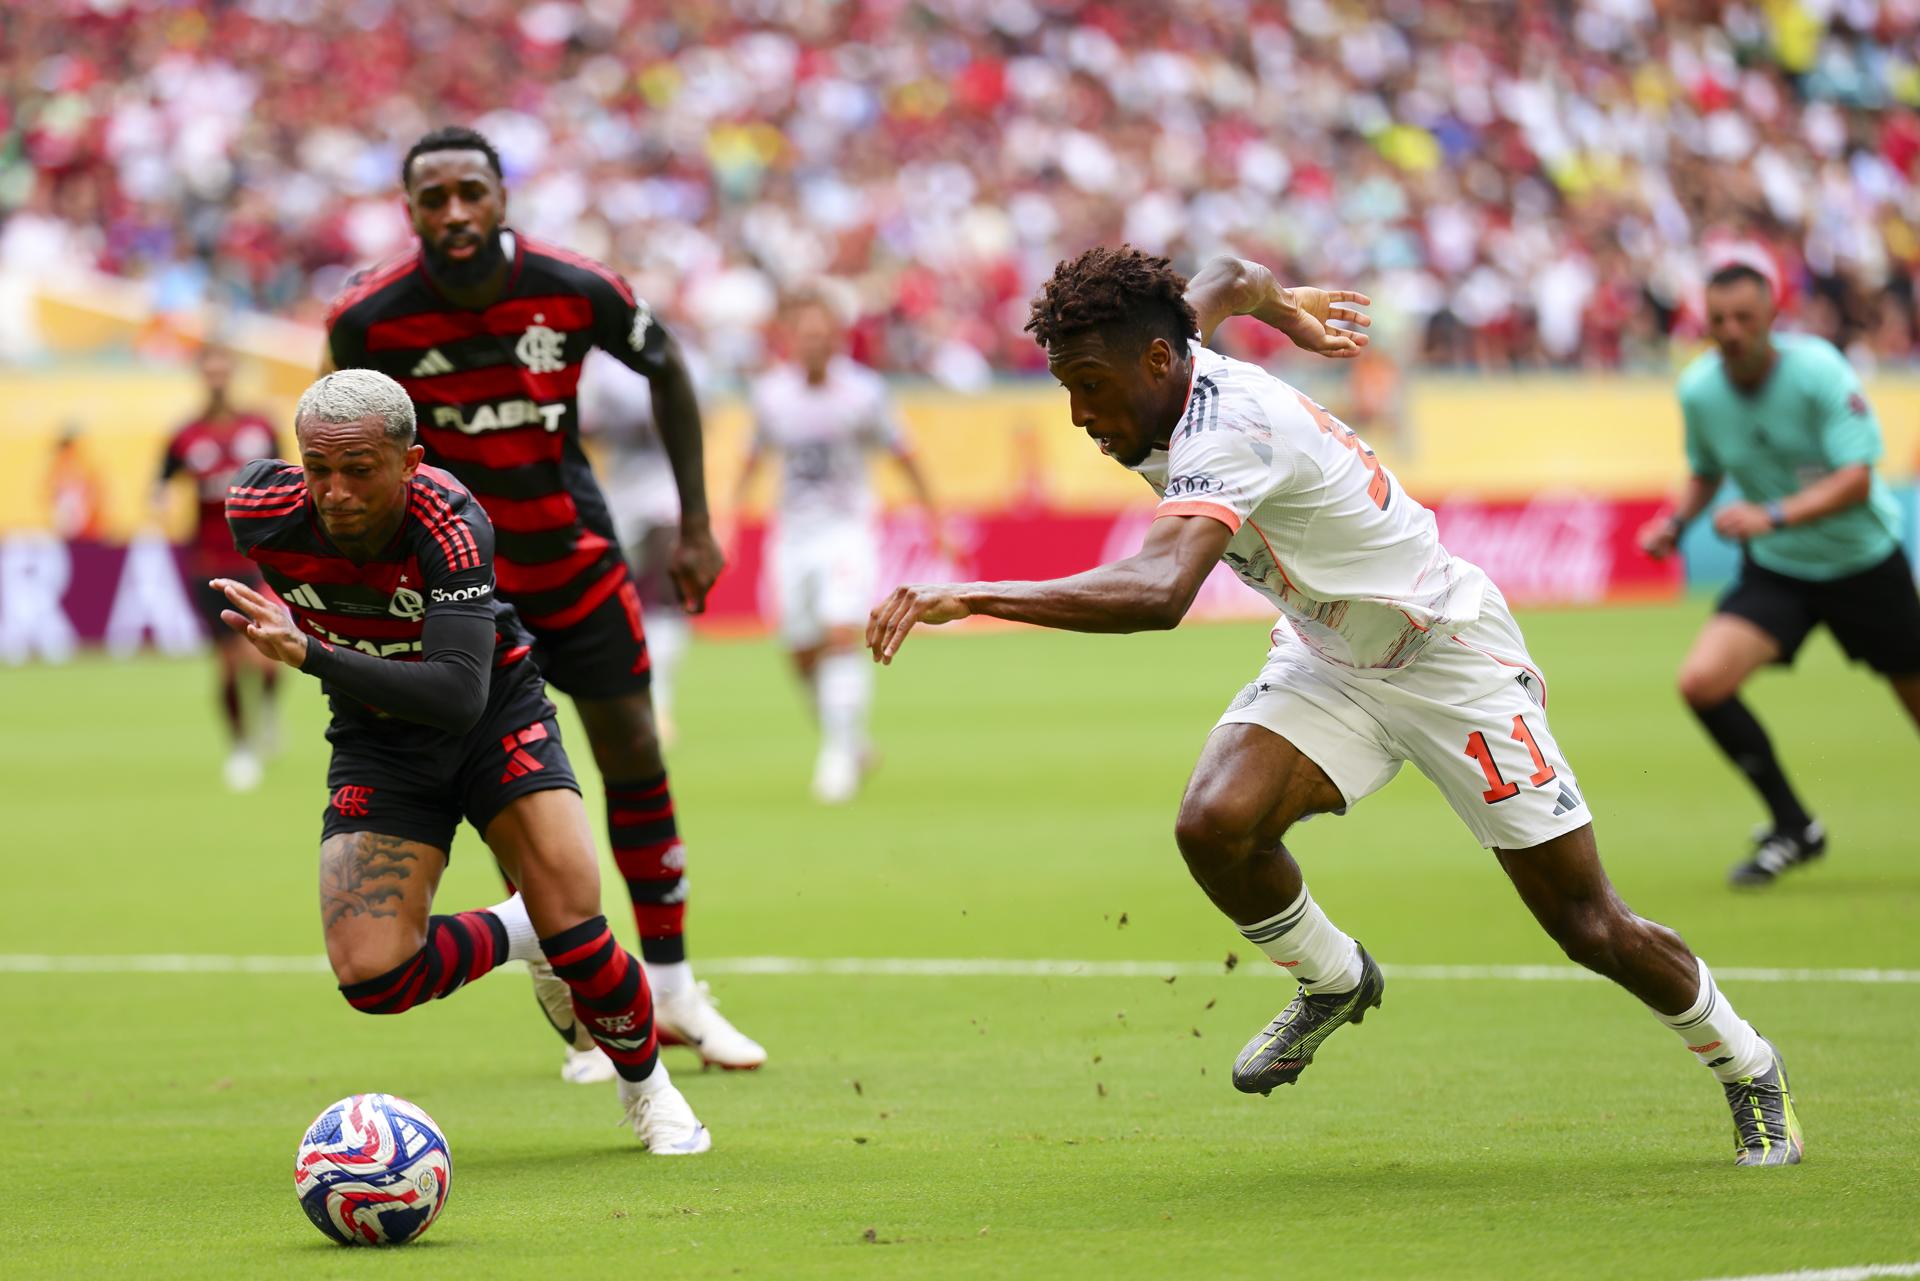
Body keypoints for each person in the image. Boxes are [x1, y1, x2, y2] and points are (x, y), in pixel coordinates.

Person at [867, 247, 1803, 1167]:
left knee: (1587, 923)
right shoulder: (1172, 341)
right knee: (1214, 824)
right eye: (1067, 387)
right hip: (1330, 655)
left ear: (1155, 361)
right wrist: (1286, 312)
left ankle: (1748, 1065)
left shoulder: (1228, 431)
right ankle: (1334, 979)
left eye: (1090, 386)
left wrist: (976, 594)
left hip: (1447, 656)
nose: (1078, 413)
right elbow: (1226, 274)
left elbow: (1159, 592)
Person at [323, 126, 765, 1080]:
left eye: (470, 192)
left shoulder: (576, 286)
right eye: (434, 198)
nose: (455, 213)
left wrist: (696, 523)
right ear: (410, 212)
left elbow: (668, 367)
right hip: (462, 593)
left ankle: (676, 987)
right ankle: (580, 1009)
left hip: (573, 561)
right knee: (507, 793)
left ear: (501, 197)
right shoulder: (369, 319)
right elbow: (350, 457)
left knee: (634, 752)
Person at [216, 368, 709, 1154]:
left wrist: (311, 652)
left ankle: (650, 1088)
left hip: (492, 717)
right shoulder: (258, 509)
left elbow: (457, 692)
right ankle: (524, 929)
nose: (334, 491)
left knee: (580, 930)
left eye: (358, 469)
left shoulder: (449, 519)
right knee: (374, 976)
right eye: (317, 468)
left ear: (410, 462)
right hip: (378, 740)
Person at [1640, 263, 1920, 886]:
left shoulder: (1819, 371)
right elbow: (1706, 469)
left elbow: (1857, 478)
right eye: (1719, 319)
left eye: (1745, 317)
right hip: (1780, 570)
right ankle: (1795, 827)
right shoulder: (1699, 389)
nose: (1731, 331)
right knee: (1702, 684)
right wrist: (1676, 524)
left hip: (1862, 563)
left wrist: (1771, 514)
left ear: (1773, 317)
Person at [735, 289, 944, 802]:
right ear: (789, 338)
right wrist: (725, 520)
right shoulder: (771, 395)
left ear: (836, 338)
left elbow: (905, 454)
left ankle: (836, 760)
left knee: (840, 632)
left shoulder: (864, 392)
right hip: (793, 535)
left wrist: (936, 519)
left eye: (822, 334)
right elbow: (751, 460)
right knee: (800, 651)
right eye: (805, 334)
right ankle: (851, 741)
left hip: (847, 530)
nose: (814, 343)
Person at [155, 345, 284, 791]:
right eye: (209, 373)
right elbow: (161, 482)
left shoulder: (259, 427)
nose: (216, 381)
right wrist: (160, 504)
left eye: (222, 372)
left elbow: (287, 479)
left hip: (259, 559)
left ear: (233, 375)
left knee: (265, 659)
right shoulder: (185, 436)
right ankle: (241, 747)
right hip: (208, 562)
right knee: (228, 662)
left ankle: (267, 711)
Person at [578, 346, 694, 749]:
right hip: (618, 500)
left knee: (667, 595)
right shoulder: (595, 368)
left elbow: (687, 414)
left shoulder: (667, 352)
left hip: (665, 496)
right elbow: (581, 426)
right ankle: (631, 698)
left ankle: (660, 704)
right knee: (614, 601)